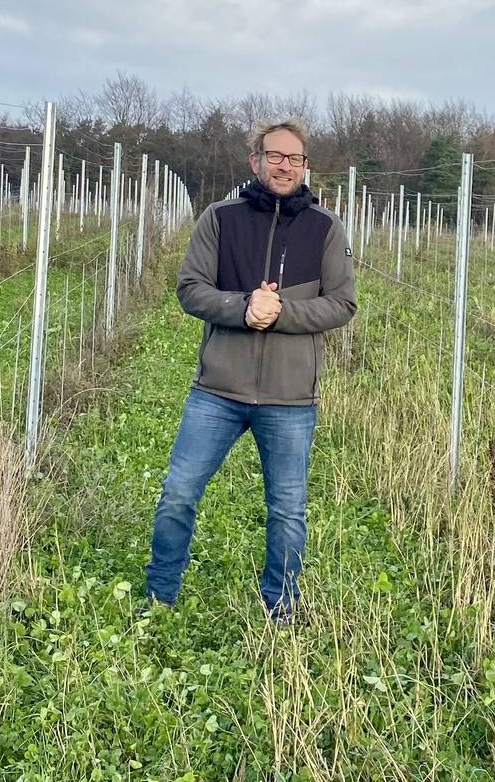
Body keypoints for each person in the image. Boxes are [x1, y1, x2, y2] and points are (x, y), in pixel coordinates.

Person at [144, 117, 357, 624]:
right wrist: (243, 306)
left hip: (290, 400)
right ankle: (160, 598)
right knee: (178, 493)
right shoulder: (220, 219)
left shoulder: (326, 229)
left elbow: (342, 305)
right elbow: (191, 289)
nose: (285, 165)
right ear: (255, 161)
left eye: (295, 158)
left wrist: (281, 312)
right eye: (275, 156)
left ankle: (280, 608)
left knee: (287, 511)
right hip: (217, 392)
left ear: (306, 166)